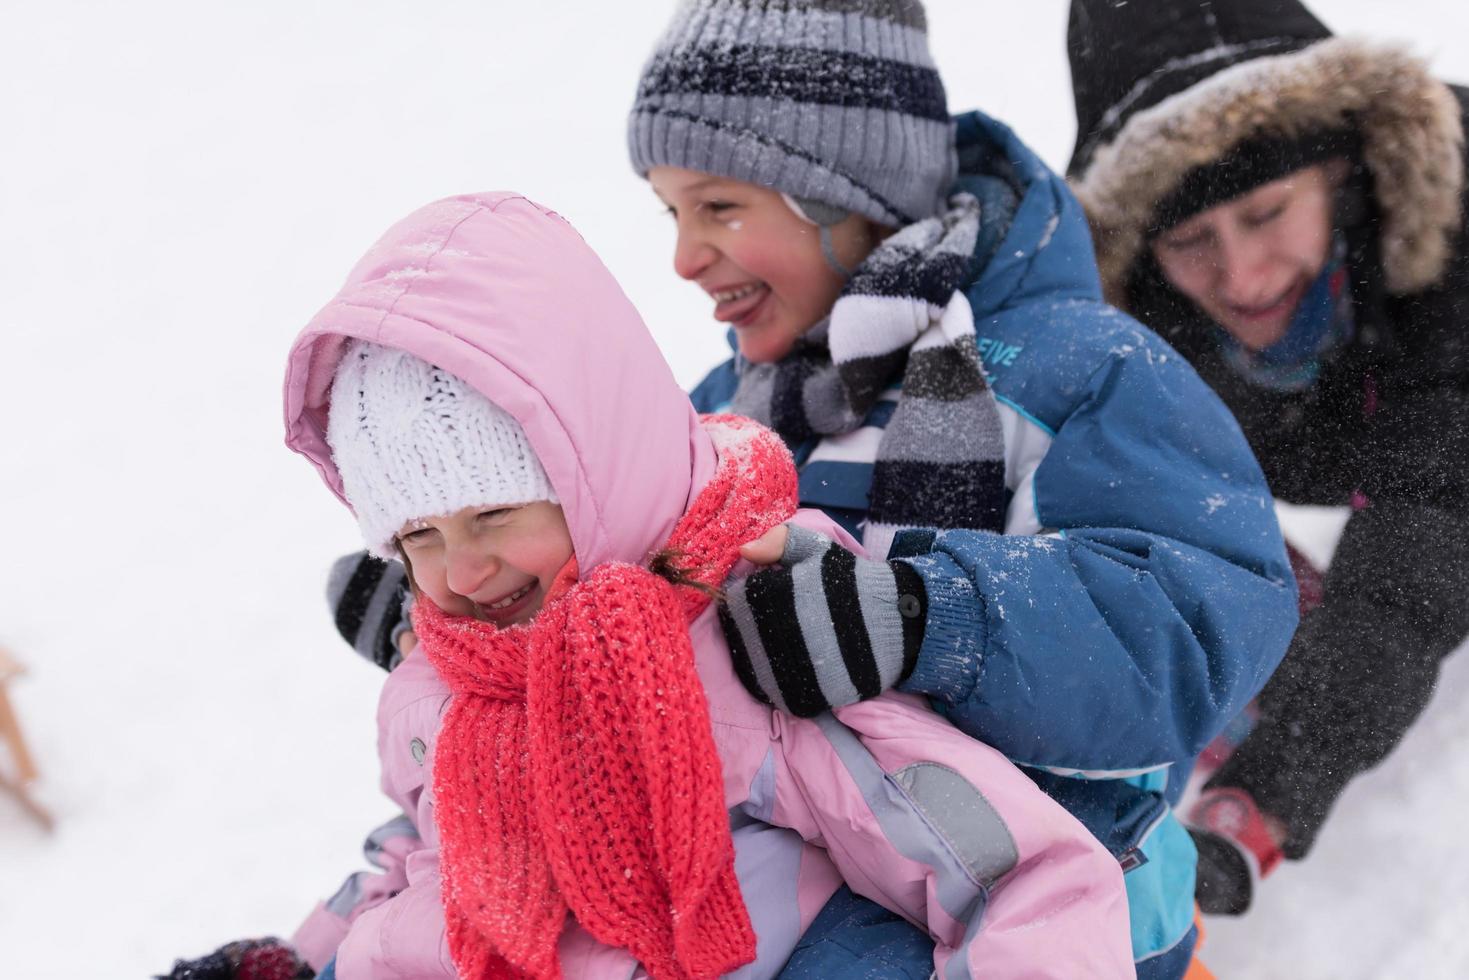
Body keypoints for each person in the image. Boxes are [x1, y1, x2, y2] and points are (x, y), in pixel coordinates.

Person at [264, 192, 1131, 979]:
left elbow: (1012, 871)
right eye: (418, 535)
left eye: (492, 514)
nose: (461, 570)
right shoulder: (441, 679)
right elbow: (413, 854)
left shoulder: (742, 640)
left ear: (594, 474)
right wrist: (292, 963)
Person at [620, 1, 1299, 976]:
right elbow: (617, 577)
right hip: (798, 886)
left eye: (719, 206)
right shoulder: (729, 410)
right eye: (670, 211)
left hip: (1055, 908)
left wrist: (928, 615)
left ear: (848, 191)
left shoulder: (1077, 365)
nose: (683, 257)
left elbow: (1197, 620)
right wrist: (458, 572)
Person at [1065, 0, 1469, 915]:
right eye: (1190, 240)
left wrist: (1271, 795)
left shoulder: (1456, 224)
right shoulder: (1137, 308)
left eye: (1265, 212)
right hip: (1357, 429)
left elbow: (1431, 516)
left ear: (1341, 165)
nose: (1240, 278)